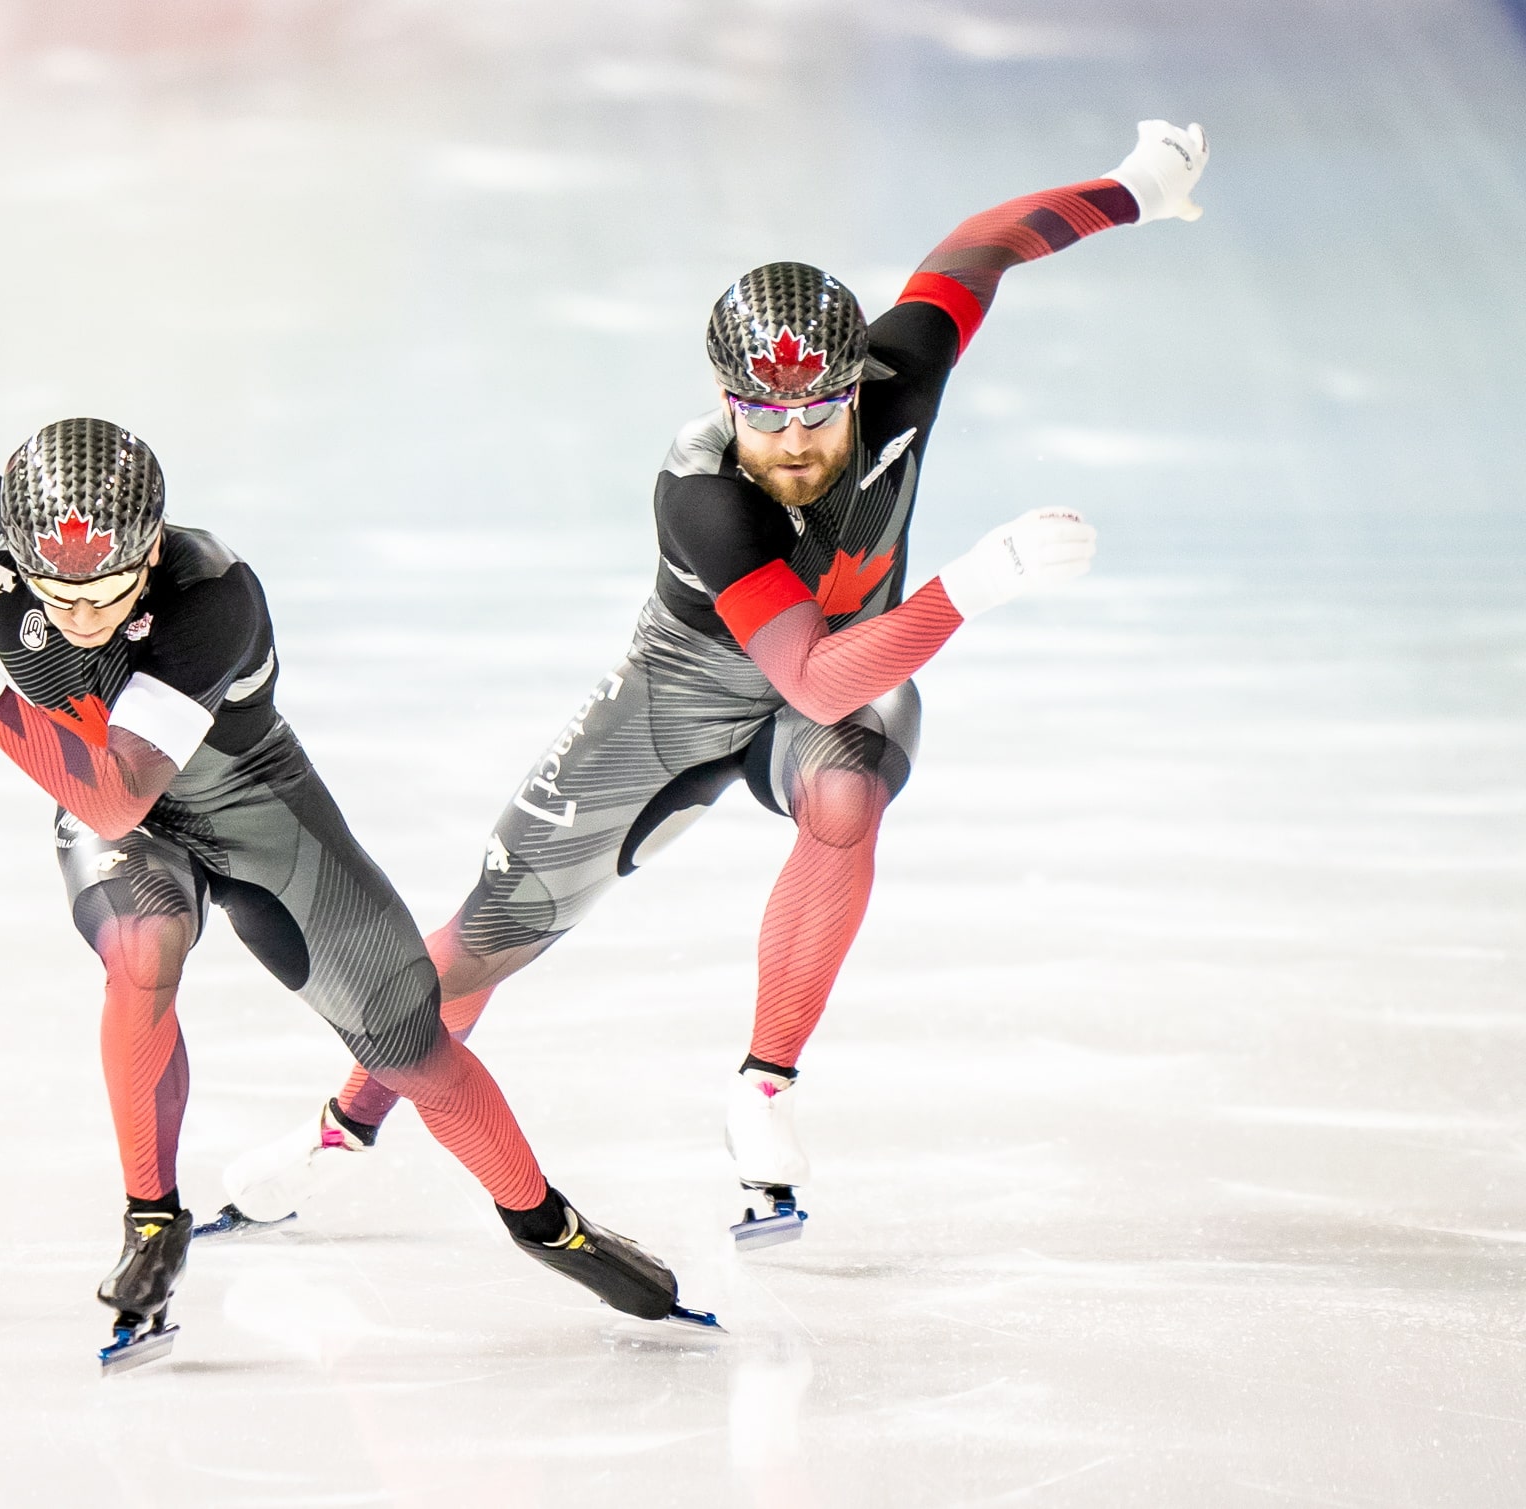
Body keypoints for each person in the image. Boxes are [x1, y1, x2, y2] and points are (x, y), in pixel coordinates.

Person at [0, 241, 712, 1371]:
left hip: (238, 794)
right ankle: (153, 1220)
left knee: (409, 1045)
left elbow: (117, 785)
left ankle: (547, 1224)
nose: (86, 615)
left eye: (111, 588)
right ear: (18, 560)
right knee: (143, 944)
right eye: (61, 594)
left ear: (152, 551)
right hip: (105, 792)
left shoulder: (209, 599)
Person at [220, 121, 1213, 1249]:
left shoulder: (903, 374)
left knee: (845, 798)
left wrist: (1134, 188)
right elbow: (809, 674)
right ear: (726, 401)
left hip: (840, 682)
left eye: (814, 414)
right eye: (761, 417)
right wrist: (972, 586)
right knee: (486, 933)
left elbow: (980, 246)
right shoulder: (705, 496)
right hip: (694, 693)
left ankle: (764, 1087)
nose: (788, 441)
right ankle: (347, 1129)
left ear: (858, 385)